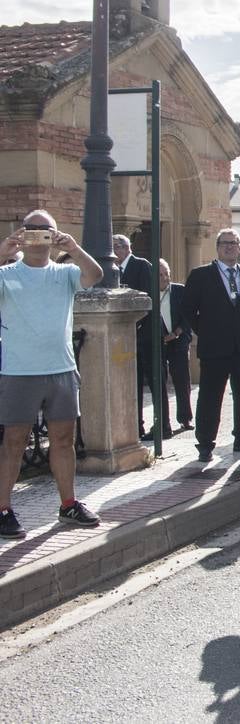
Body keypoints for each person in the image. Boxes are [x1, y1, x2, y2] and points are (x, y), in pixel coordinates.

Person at [0, 212, 105, 540]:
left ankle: (68, 504)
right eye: (31, 231)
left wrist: (74, 248)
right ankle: (3, 509)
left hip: (60, 370)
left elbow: (96, 275)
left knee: (62, 440)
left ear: (54, 235)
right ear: (22, 235)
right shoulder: (6, 273)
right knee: (14, 443)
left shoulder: (65, 272)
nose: (37, 238)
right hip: (18, 372)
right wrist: (2, 251)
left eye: (45, 231)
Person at [182, 228, 240, 462]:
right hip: (213, 347)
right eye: (224, 243)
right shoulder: (200, 275)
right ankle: (205, 443)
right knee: (210, 396)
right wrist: (205, 330)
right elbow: (187, 308)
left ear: (239, 247)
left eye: (233, 243)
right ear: (217, 247)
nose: (229, 247)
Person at [114, 234, 157, 439]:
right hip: (120, 336)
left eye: (117, 247)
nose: (114, 251)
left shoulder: (141, 265)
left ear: (126, 248)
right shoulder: (111, 269)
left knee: (149, 379)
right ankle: (133, 424)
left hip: (143, 335)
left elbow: (149, 298)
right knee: (130, 382)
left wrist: (137, 323)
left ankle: (159, 425)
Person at [156, 259, 194, 435]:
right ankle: (163, 422)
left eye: (167, 274)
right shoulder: (148, 294)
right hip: (159, 342)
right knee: (160, 381)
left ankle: (185, 418)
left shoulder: (180, 290)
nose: (164, 278)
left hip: (178, 341)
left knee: (182, 379)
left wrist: (177, 332)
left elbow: (189, 314)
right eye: (160, 275)